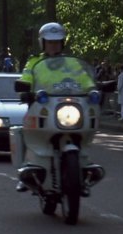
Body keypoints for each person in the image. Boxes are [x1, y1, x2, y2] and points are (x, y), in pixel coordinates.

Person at [16, 22, 95, 191]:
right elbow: (26, 79)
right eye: (50, 42)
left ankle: (83, 166)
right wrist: (24, 89)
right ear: (43, 43)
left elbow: (85, 79)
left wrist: (93, 89)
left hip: (69, 105)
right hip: (42, 106)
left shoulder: (72, 64)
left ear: (62, 43)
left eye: (57, 42)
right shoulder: (34, 63)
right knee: (25, 130)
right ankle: (26, 169)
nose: (54, 45)